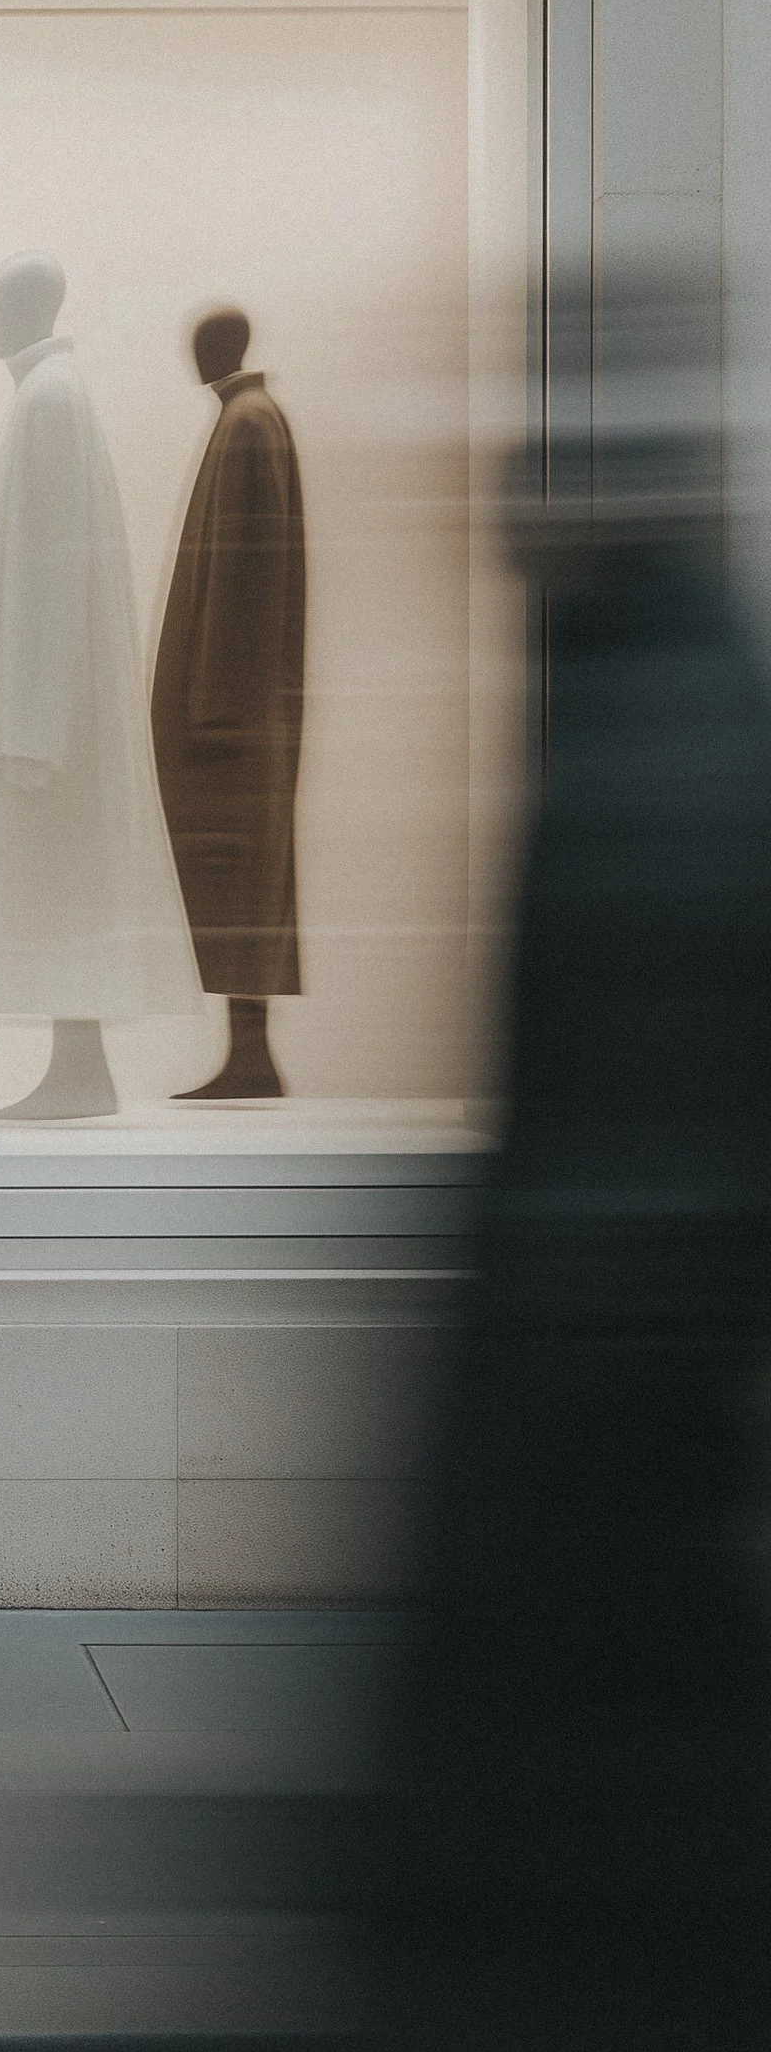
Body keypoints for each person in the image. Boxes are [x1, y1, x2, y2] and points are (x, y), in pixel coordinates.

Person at [370, 432, 771, 2049]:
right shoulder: (677, 713)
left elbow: (624, 1113)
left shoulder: (650, 747)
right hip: (619, 1365)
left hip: (598, 1365)